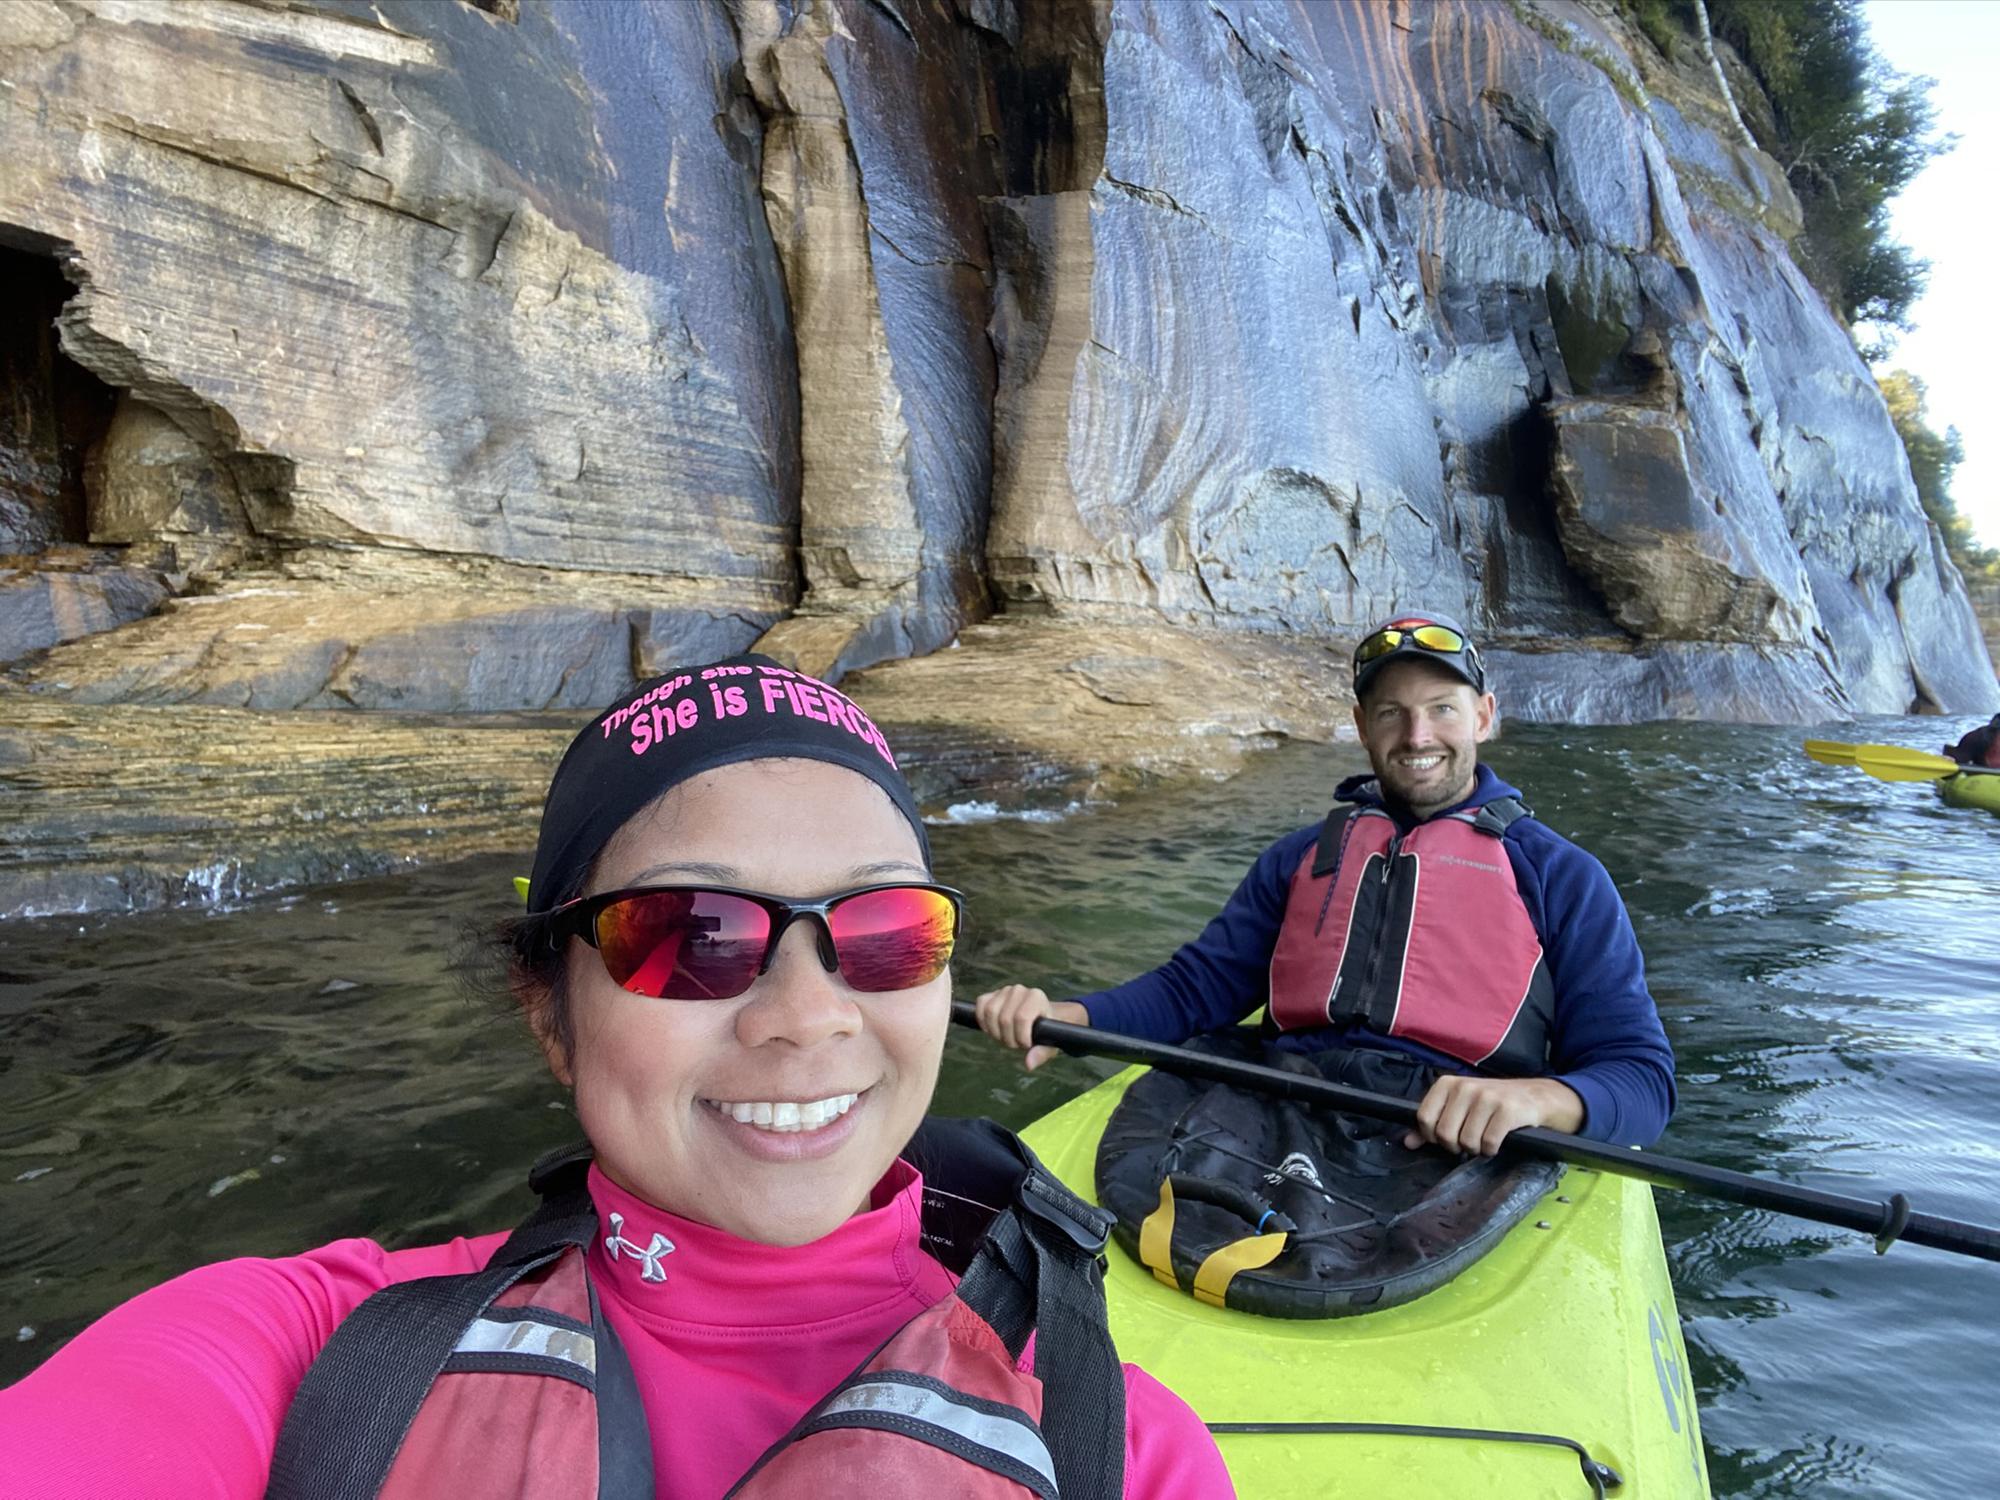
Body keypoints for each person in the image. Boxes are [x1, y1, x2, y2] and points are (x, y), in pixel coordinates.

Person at [0, 655, 1231, 1500]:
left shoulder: (1117, 1448)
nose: (807, 1017)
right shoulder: (303, 1358)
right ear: (552, 1012)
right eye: (691, 935)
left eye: (884, 930)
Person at [977, 610, 1676, 1157]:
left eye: (1442, 708)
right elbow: (1197, 990)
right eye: (1391, 712)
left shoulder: (1560, 876)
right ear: (1362, 728)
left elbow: (1640, 1077)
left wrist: (1540, 1101)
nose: (1417, 735)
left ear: (1484, 718)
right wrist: (1077, 1019)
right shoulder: (1300, 857)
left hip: (1450, 1134)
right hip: (1277, 1106)